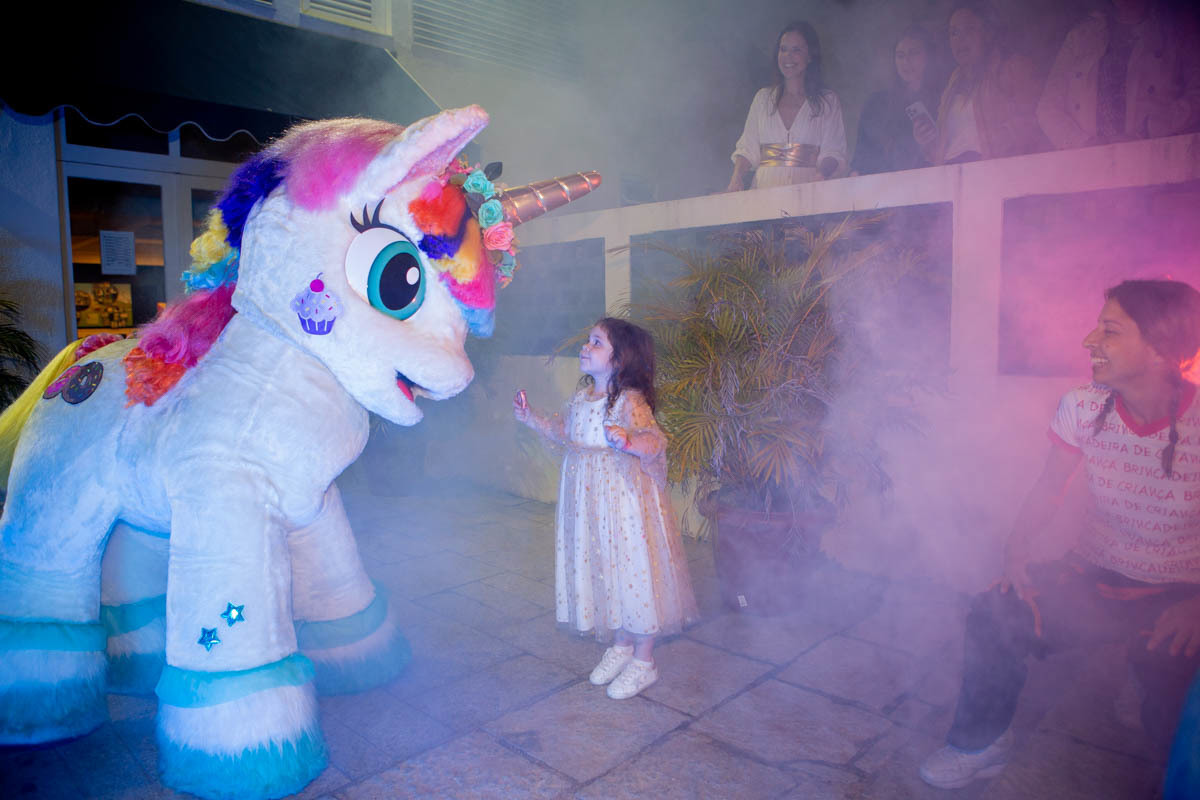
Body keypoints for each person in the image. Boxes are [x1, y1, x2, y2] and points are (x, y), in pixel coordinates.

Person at [920, 279, 1200, 789]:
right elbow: (1050, 488)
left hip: (1178, 596)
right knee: (995, 611)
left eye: (1110, 331)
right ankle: (980, 743)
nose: (1090, 341)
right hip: (1093, 576)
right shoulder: (1084, 406)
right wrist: (1016, 554)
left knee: (1172, 720)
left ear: (1161, 347)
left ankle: (1148, 689)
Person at [513, 318, 699, 700]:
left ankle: (644, 661)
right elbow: (562, 432)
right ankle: (621, 645)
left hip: (624, 501)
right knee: (605, 567)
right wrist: (530, 418)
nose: (585, 346)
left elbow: (654, 442)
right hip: (588, 500)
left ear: (619, 360)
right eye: (587, 340)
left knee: (632, 568)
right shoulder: (582, 398)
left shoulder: (630, 401)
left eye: (596, 343)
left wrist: (628, 440)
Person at [1037, 0, 1200, 151]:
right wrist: (1083, 142)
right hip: (1088, 167)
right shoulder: (1081, 37)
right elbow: (1047, 108)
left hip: (1158, 158)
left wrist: (1152, 129)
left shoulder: (1176, 34)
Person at [916, 2, 1046, 164]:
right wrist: (928, 142)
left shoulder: (1013, 68)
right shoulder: (953, 81)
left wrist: (1005, 136)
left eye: (968, 30)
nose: (960, 40)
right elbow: (948, 146)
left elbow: (1038, 119)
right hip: (950, 174)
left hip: (994, 174)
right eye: (953, 33)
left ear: (988, 33)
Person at [726, 21, 847, 191]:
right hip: (764, 193)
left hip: (809, 192)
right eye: (783, 49)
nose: (788, 57)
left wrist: (821, 176)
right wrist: (736, 178)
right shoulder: (763, 99)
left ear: (810, 55)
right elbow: (747, 148)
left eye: (796, 50)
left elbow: (834, 151)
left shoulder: (827, 101)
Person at [851, 24, 947, 175]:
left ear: (928, 56)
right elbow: (862, 153)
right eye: (900, 55)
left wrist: (922, 143)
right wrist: (855, 172)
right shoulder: (876, 103)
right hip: (882, 187)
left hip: (928, 184)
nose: (906, 61)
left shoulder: (944, 99)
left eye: (913, 53)